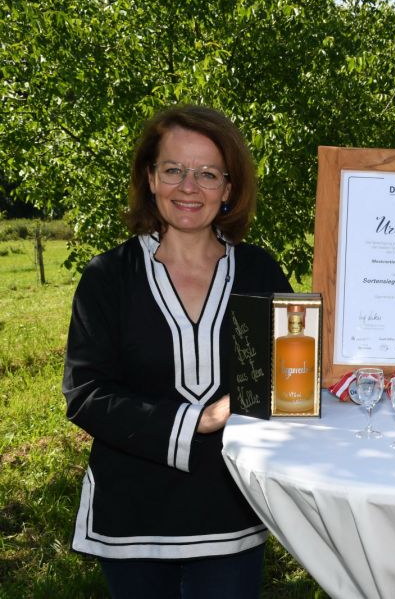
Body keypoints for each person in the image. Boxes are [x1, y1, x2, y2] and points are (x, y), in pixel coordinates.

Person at [63, 105, 292, 598]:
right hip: (132, 515)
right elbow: (86, 395)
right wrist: (199, 420)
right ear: (150, 178)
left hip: (231, 511)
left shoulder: (259, 272)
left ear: (228, 188)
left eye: (208, 173)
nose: (189, 187)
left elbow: (289, 373)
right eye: (173, 170)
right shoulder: (108, 278)